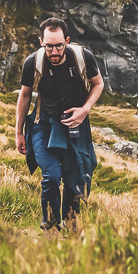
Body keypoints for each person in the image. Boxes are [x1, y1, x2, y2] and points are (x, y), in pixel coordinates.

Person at [16, 16, 104, 230]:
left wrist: (85, 110)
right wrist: (18, 132)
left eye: (58, 46)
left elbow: (98, 84)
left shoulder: (83, 58)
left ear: (67, 40)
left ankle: (71, 222)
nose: (54, 52)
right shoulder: (33, 63)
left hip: (76, 123)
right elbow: (25, 95)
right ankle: (50, 225)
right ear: (41, 42)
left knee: (77, 175)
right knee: (52, 175)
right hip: (43, 123)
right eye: (49, 47)